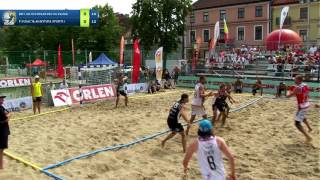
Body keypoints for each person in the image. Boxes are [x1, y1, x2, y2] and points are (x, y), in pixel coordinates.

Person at [286, 75, 313, 142]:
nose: (294, 80)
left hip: (302, 106)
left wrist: (288, 90)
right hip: (306, 103)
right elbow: (305, 93)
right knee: (302, 116)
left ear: (298, 80)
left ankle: (308, 137)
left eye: (295, 79)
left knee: (297, 123)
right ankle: (310, 128)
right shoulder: (305, 85)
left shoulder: (297, 88)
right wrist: (293, 89)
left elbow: (288, 96)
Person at [0, 96, 10, 169]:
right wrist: (9, 115)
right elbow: (6, 119)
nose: (3, 99)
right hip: (2, 130)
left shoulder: (2, 107)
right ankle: (1, 166)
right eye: (1, 98)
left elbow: (6, 113)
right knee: (1, 149)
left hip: (2, 129)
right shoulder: (0, 109)